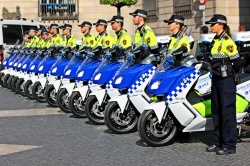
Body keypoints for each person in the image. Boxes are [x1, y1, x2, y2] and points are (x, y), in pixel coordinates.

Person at [205, 14, 242, 155]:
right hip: (216, 80)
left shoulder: (227, 42)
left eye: (213, 24)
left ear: (221, 25)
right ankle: (218, 141)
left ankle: (229, 145)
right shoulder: (215, 41)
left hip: (226, 81)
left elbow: (238, 63)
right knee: (217, 112)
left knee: (227, 113)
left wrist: (228, 73)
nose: (211, 26)